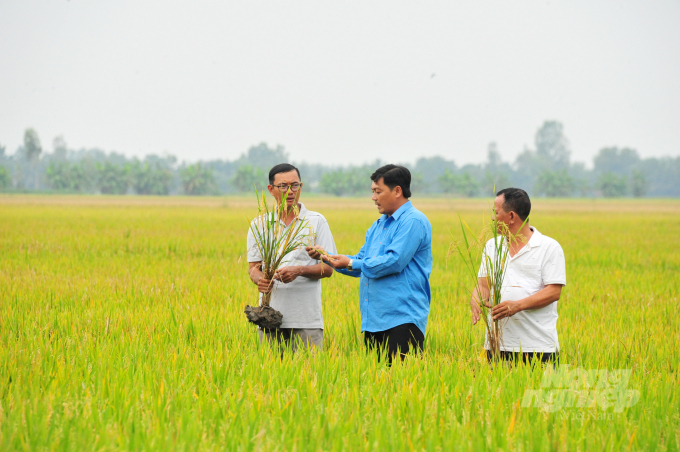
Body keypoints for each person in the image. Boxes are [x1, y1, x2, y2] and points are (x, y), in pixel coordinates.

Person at [308, 164, 432, 363]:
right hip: (374, 320)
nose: (373, 197)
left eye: (378, 191)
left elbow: (394, 261)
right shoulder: (378, 225)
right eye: (373, 192)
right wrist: (328, 258)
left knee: (401, 384)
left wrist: (351, 263)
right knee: (377, 385)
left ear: (397, 191)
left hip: (402, 319)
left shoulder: (413, 221)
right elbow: (361, 264)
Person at [246, 163, 337, 352]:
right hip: (268, 317)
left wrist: (299, 271)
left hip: (306, 319)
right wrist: (260, 280)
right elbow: (253, 268)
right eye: (283, 186)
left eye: (294, 185)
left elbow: (328, 269)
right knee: (269, 376)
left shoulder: (316, 221)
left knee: (310, 377)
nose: (290, 191)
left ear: (301, 187)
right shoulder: (259, 224)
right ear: (271, 189)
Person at [471, 188, 566, 364]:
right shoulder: (492, 246)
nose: (493, 218)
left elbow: (553, 292)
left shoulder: (549, 247)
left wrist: (517, 306)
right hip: (497, 345)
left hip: (537, 347)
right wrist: (476, 298)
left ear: (512, 216)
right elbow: (483, 284)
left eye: (496, 213)